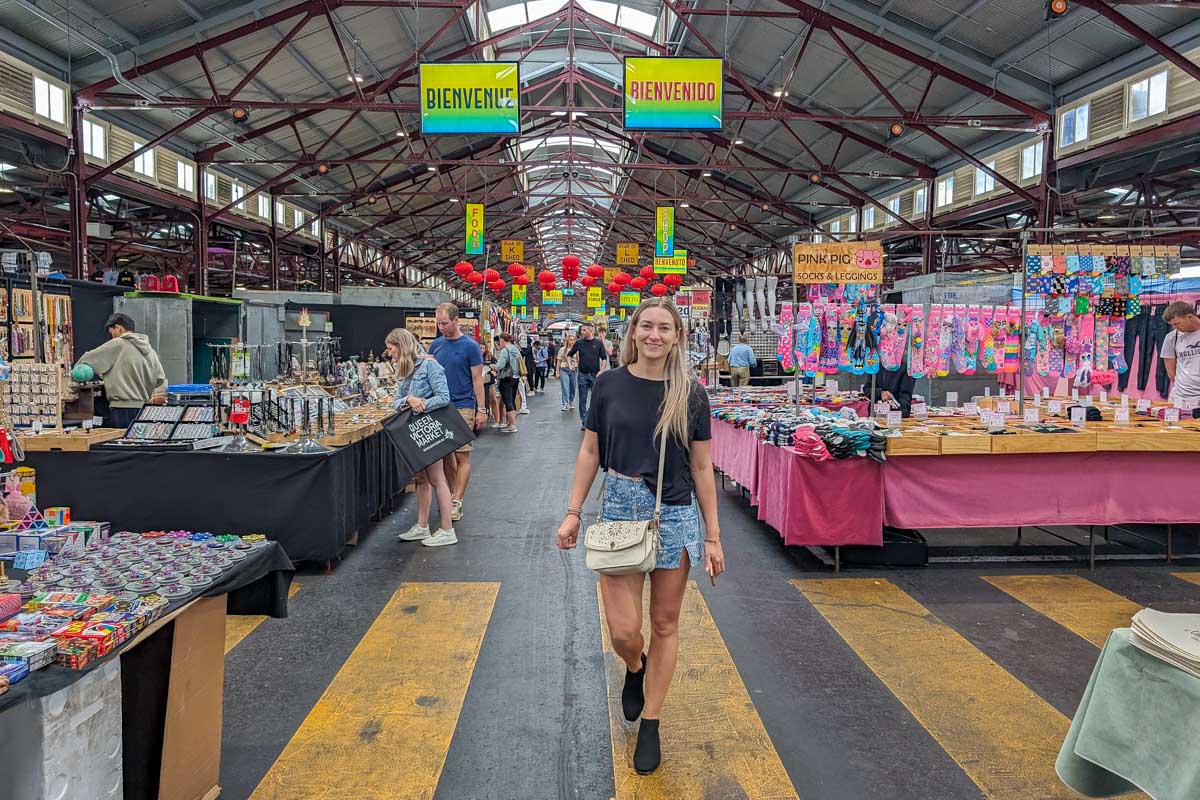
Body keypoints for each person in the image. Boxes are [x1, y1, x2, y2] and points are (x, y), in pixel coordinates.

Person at [556, 298, 725, 776]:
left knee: (665, 623)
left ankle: (651, 720)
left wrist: (712, 536)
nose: (654, 335)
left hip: (675, 512)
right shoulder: (608, 385)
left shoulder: (690, 393)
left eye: (664, 328)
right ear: (633, 332)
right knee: (624, 632)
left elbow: (702, 467)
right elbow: (590, 452)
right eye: (646, 326)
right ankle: (635, 666)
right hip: (619, 510)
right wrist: (573, 512)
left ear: (677, 337)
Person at [387, 329, 457, 547]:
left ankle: (447, 529)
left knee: (437, 478)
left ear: (401, 345)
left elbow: (444, 397)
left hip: (430, 429)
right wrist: (409, 399)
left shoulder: (430, 365)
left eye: (390, 348)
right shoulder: (404, 369)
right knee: (421, 478)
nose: (389, 353)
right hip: (415, 430)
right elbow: (397, 401)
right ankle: (422, 525)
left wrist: (422, 403)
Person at [428, 303, 485, 523]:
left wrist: (481, 409)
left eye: (445, 323)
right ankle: (451, 495)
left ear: (456, 320)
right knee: (444, 455)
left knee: (462, 454)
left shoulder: (470, 347)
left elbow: (477, 379)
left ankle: (457, 500)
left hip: (463, 406)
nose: (441, 327)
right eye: (438, 323)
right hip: (438, 406)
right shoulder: (435, 346)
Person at [73, 313, 167, 428]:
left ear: (118, 328)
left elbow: (86, 360)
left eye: (111, 332)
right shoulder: (151, 351)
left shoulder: (118, 344)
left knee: (122, 438)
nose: (112, 336)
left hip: (121, 409)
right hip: (144, 410)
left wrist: (72, 381)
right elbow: (160, 380)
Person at [568, 323, 610, 430]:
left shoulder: (598, 343)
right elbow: (569, 354)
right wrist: (570, 365)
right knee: (582, 399)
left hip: (595, 375)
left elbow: (604, 358)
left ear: (590, 330)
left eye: (584, 330)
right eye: (581, 330)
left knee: (596, 399)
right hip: (582, 375)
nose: (582, 332)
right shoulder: (579, 343)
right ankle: (584, 421)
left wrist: (601, 371)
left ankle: (590, 419)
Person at [1160, 301, 1200, 406]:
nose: (1175, 327)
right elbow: (1171, 372)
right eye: (1172, 325)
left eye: (1177, 323)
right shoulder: (1171, 338)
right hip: (1180, 396)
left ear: (1190, 317)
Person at [494, 333, 522, 433]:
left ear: (502, 340)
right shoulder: (515, 349)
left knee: (508, 401)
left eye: (500, 341)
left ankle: (512, 425)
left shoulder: (504, 350)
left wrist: (493, 367)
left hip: (506, 378)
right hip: (515, 377)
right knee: (512, 400)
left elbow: (501, 365)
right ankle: (510, 423)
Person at [557, 333, 579, 412]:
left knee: (573, 386)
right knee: (565, 387)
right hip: (564, 369)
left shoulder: (577, 350)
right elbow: (558, 361)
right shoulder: (562, 349)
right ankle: (565, 403)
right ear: (567, 341)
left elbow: (579, 360)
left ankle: (571, 401)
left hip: (574, 370)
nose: (572, 341)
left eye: (573, 340)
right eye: (571, 340)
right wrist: (557, 372)